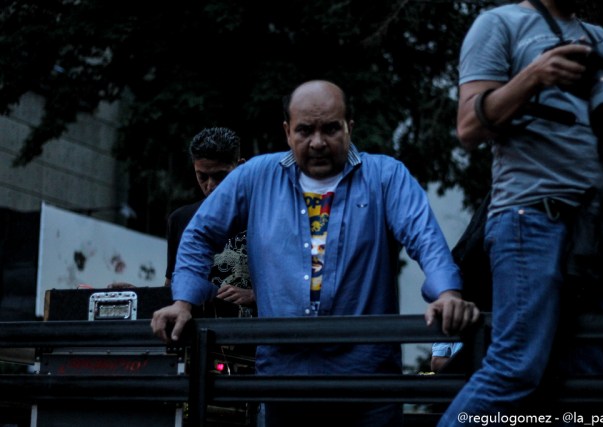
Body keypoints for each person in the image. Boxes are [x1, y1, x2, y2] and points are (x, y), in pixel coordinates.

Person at [151, 79, 480, 426]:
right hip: (283, 377)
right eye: (305, 130)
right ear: (287, 131)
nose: (318, 142)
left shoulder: (385, 176)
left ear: (350, 127)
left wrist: (447, 293)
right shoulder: (256, 177)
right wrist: (183, 302)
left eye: (331, 128)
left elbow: (424, 236)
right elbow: (199, 233)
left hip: (367, 379)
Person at [437, 0, 603, 425]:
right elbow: (468, 129)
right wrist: (534, 76)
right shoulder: (499, 25)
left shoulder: (600, 38)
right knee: (514, 369)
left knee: (590, 379)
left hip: (597, 229)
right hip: (531, 219)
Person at [164, 126, 255, 312]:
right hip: (200, 335)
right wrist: (140, 294)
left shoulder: (266, 215)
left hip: (257, 333)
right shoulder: (180, 219)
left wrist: (255, 295)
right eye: (202, 177)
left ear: (241, 167)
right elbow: (171, 288)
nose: (211, 186)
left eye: (220, 176)